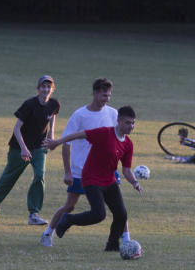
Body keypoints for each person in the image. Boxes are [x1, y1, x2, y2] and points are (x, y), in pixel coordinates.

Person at [40, 78, 131, 248]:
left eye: (109, 95)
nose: (107, 99)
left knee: (118, 207)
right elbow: (67, 144)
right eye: (104, 95)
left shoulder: (113, 114)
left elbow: (119, 138)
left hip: (107, 171)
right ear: (95, 93)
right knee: (70, 205)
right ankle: (48, 233)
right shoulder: (80, 115)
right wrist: (67, 171)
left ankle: (126, 239)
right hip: (81, 171)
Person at [0, 75, 60, 225]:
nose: (46, 89)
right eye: (43, 86)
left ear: (52, 89)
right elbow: (16, 128)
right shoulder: (29, 105)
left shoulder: (54, 104)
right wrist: (24, 149)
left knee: (40, 175)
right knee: (9, 178)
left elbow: (52, 116)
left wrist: (52, 133)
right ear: (38, 89)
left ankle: (33, 214)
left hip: (39, 146)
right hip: (18, 147)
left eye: (49, 87)